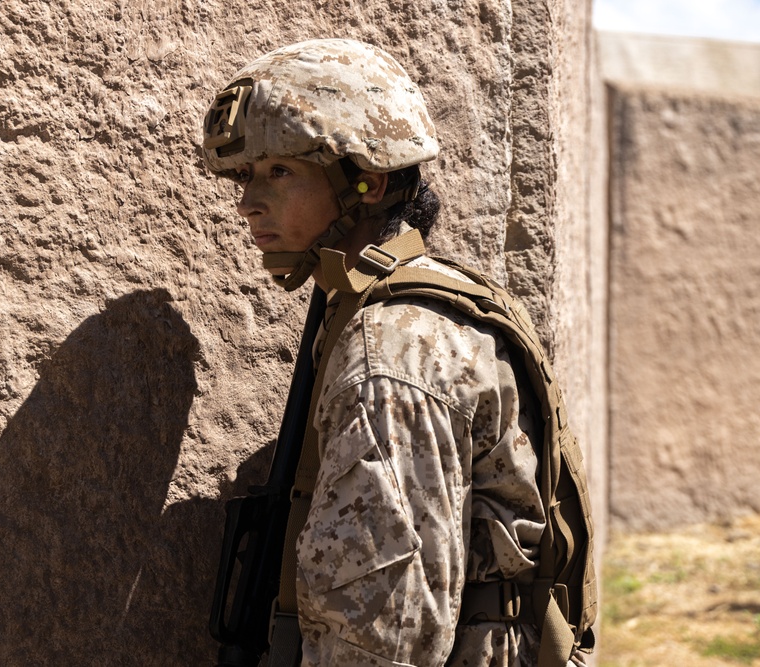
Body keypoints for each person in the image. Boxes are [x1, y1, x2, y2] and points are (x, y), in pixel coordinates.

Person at [201, 39, 589, 667]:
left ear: (369, 183)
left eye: (279, 172)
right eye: (244, 176)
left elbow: (385, 634)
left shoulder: (391, 352)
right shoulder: (417, 306)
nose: (248, 201)